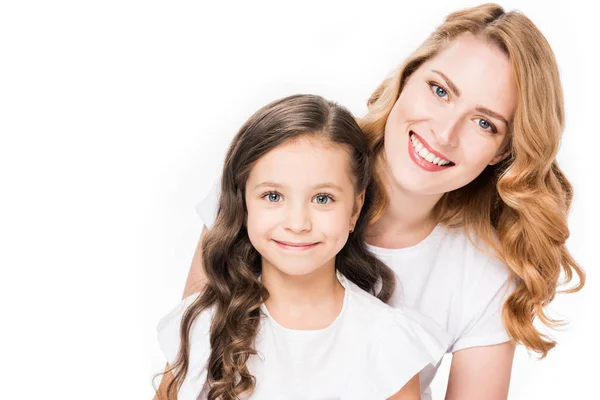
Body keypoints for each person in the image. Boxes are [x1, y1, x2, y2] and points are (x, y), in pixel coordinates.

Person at [177, 4, 585, 399]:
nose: (444, 133)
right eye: (440, 90)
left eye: (484, 123)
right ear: (407, 77)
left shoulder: (481, 274)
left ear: (503, 151)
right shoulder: (282, 160)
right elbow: (189, 362)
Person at [155, 94, 449, 400]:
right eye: (273, 196)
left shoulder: (388, 343)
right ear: (243, 203)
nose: (297, 223)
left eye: (322, 198)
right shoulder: (203, 324)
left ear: (355, 209)